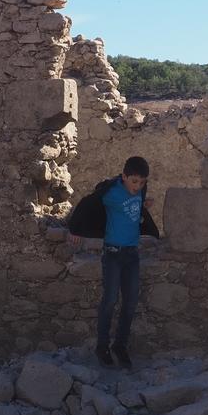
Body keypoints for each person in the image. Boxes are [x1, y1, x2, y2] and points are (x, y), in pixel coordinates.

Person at [67, 156, 159, 369]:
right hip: (113, 254)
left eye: (142, 182)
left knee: (130, 302)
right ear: (124, 176)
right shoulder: (111, 193)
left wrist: (143, 204)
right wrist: (76, 229)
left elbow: (137, 210)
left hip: (132, 255)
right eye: (134, 181)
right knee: (109, 302)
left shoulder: (140, 192)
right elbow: (88, 205)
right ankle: (102, 346)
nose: (138, 186)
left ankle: (120, 345)